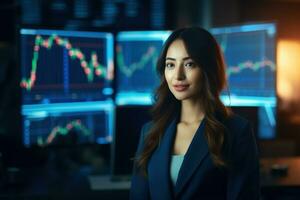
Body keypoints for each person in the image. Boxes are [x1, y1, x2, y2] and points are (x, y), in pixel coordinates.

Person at [130, 27, 260, 200]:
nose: (178, 75)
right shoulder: (150, 132)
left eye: (189, 64)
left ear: (208, 69)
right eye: (170, 64)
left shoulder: (236, 131)